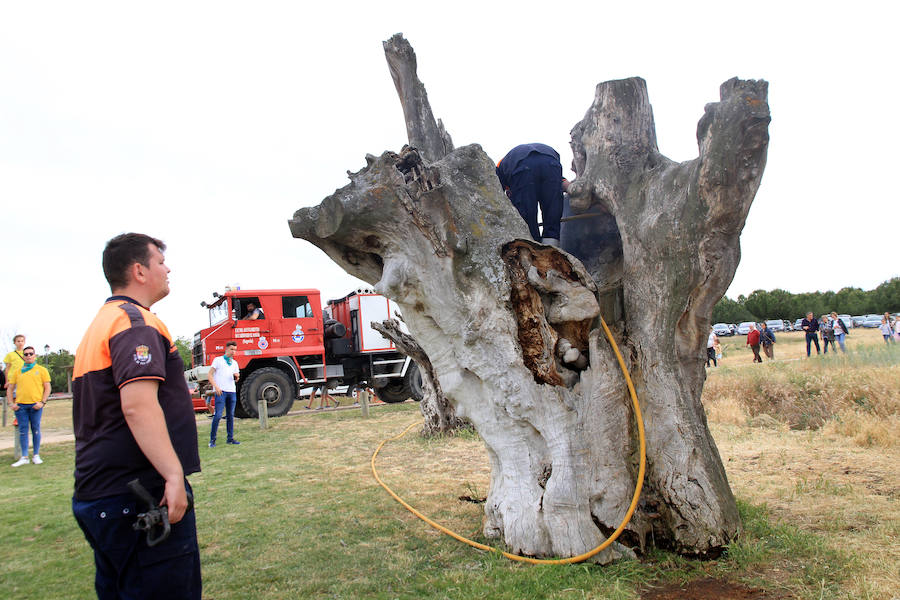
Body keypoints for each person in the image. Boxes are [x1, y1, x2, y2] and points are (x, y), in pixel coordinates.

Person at [71, 233, 201, 599]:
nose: (168, 267)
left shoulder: (101, 322)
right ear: (139, 271)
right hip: (140, 494)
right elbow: (138, 405)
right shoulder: (135, 322)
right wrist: (173, 475)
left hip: (101, 492)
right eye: (161, 261)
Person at [495, 143, 565, 245]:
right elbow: (560, 182)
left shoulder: (500, 168)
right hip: (551, 161)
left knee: (526, 217)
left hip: (521, 166)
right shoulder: (507, 164)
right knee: (553, 209)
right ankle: (552, 248)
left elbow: (496, 198)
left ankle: (532, 247)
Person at [7, 346, 51, 467]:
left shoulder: (41, 370)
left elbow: (47, 387)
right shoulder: (18, 371)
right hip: (21, 406)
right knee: (23, 430)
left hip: (35, 405)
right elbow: (10, 388)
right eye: (25, 354)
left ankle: (36, 455)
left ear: (35, 355)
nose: (28, 356)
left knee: (35, 429)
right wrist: (11, 403)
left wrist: (42, 402)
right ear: (23, 356)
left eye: (30, 354)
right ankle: (24, 456)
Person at [208, 341, 241, 447]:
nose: (233, 352)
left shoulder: (234, 363)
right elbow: (210, 375)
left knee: (230, 415)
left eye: (235, 350)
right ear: (226, 349)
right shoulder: (218, 360)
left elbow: (237, 378)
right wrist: (216, 387)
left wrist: (237, 377)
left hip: (231, 391)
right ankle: (212, 440)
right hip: (221, 391)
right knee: (218, 415)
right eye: (232, 349)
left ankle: (230, 438)